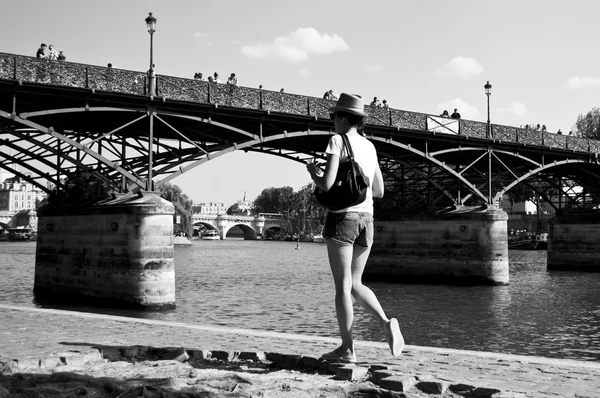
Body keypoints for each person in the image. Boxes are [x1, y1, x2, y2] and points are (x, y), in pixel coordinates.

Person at [306, 93, 404, 363]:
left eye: (334, 117)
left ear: (342, 118)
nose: (332, 122)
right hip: (367, 220)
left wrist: (313, 173)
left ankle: (347, 348)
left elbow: (326, 185)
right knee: (356, 283)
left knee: (342, 286)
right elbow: (379, 190)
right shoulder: (370, 147)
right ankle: (385, 323)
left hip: (342, 219)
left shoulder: (337, 140)